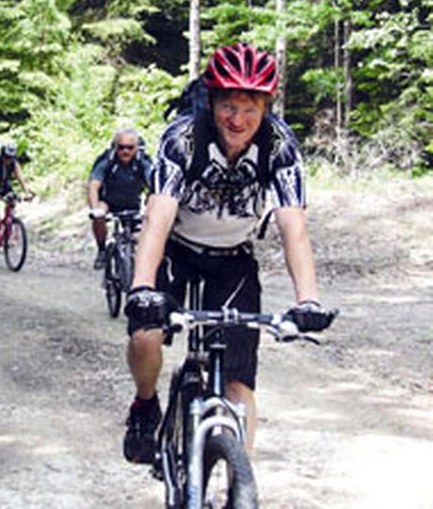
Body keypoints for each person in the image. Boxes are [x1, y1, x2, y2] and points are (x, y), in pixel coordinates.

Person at [122, 43, 336, 463]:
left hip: (233, 260)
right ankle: (145, 405)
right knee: (146, 336)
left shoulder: (280, 146)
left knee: (238, 384)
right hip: (175, 251)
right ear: (211, 101)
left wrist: (307, 300)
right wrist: (142, 287)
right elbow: (158, 219)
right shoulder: (183, 138)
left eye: (250, 108)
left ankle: (241, 481)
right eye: (227, 106)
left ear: (266, 107)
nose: (237, 120)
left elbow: (294, 228)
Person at [88, 128, 152, 269]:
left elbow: (153, 185)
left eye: (130, 148)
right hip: (108, 201)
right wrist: (94, 209)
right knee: (99, 215)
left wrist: (151, 205)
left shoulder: (142, 161)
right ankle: (102, 251)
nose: (125, 151)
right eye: (121, 147)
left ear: (137, 147)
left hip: (132, 204)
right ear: (115, 147)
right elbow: (93, 186)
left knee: (140, 237)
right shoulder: (107, 160)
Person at [0, 140, 34, 261]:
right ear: (2, 154)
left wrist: (26, 192)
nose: (8, 160)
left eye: (10, 157)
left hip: (4, 186)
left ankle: (7, 229)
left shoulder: (14, 163)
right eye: (6, 157)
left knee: (12, 202)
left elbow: (21, 179)